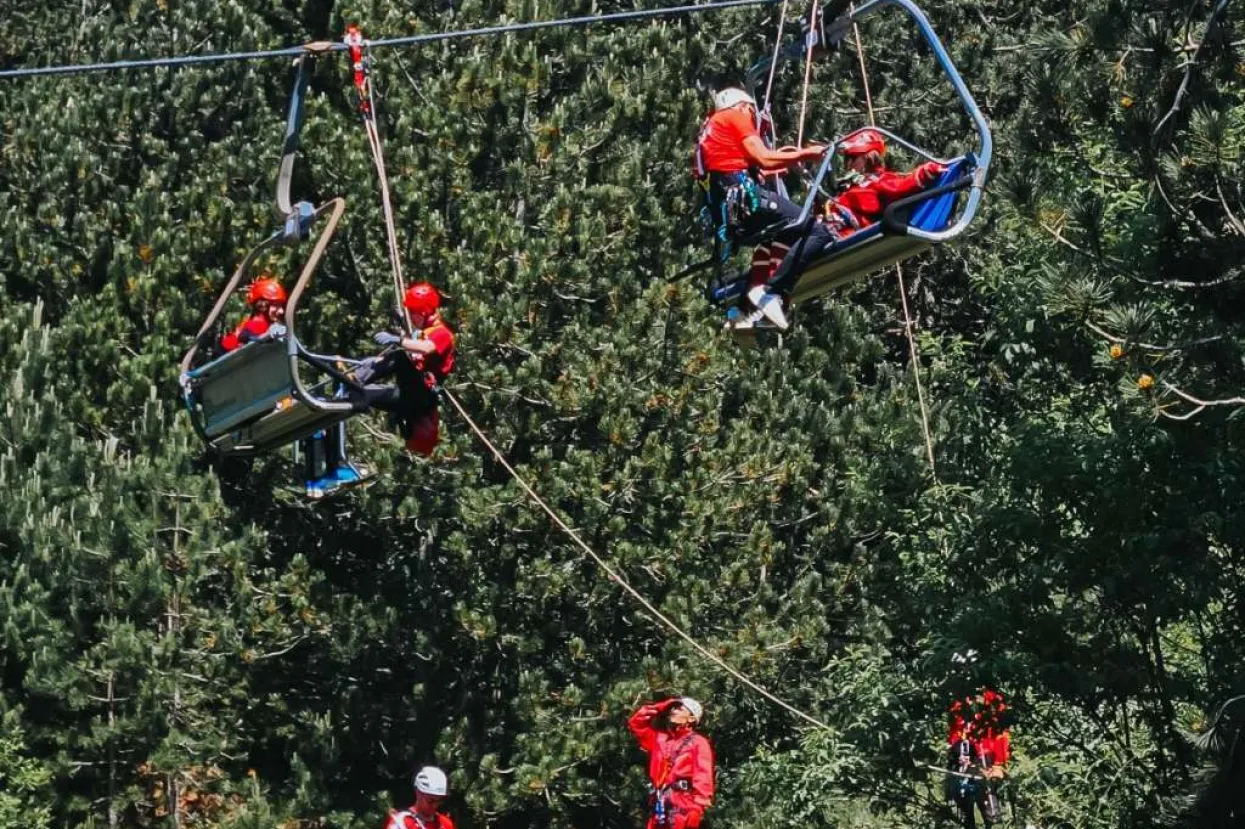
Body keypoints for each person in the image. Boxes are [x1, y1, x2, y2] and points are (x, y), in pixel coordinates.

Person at [694, 84, 831, 330]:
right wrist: (806, 154)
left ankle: (744, 310)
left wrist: (785, 162)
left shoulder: (710, 128)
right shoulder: (735, 116)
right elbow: (764, 157)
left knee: (776, 236)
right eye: (751, 113)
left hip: (730, 212)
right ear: (744, 106)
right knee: (816, 230)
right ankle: (772, 292)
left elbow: (742, 165)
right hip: (747, 200)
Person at [359, 282, 456, 456]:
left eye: (413, 313)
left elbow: (426, 348)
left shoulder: (442, 334)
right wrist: (403, 332)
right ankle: (352, 386)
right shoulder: (422, 331)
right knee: (364, 394)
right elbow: (416, 349)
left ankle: (357, 378)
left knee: (399, 357)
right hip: (408, 399)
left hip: (421, 397)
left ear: (425, 312)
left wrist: (399, 341)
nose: (410, 316)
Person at [820, 129, 947, 237]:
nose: (848, 164)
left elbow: (900, 186)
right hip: (827, 226)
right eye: (846, 159)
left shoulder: (879, 180)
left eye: (852, 158)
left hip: (840, 231)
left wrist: (927, 170)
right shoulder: (854, 185)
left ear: (867, 156)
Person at [628, 696, 714, 829]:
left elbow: (703, 777)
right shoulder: (659, 739)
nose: (674, 711)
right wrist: (660, 707)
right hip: (659, 805)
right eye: (673, 708)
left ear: (691, 718)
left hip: (683, 806)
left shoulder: (698, 742)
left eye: (680, 709)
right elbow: (637, 723)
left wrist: (697, 808)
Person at [220, 276, 287, 352]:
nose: (281, 311)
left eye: (281, 306)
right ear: (262, 306)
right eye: (276, 305)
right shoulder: (257, 324)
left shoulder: (264, 325)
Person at [385, 766, 456, 829]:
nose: (435, 805)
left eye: (440, 800)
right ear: (418, 793)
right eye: (430, 800)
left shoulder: (445, 824)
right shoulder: (401, 822)